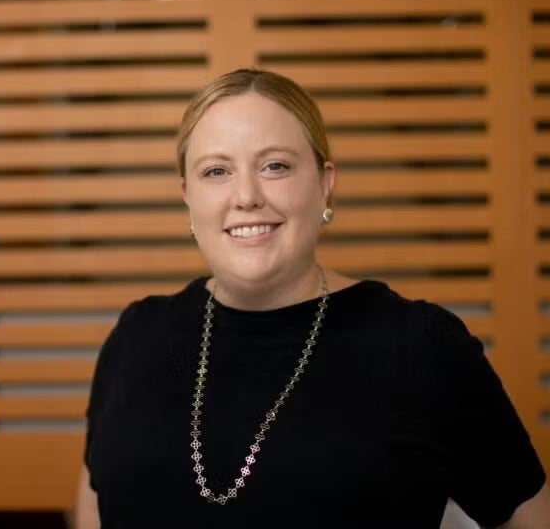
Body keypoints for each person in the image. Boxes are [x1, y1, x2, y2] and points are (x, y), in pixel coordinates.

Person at [75, 69, 550, 528]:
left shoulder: (421, 346)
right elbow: (95, 507)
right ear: (187, 197)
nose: (246, 196)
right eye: (216, 171)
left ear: (324, 183)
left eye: (275, 166)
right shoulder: (136, 337)